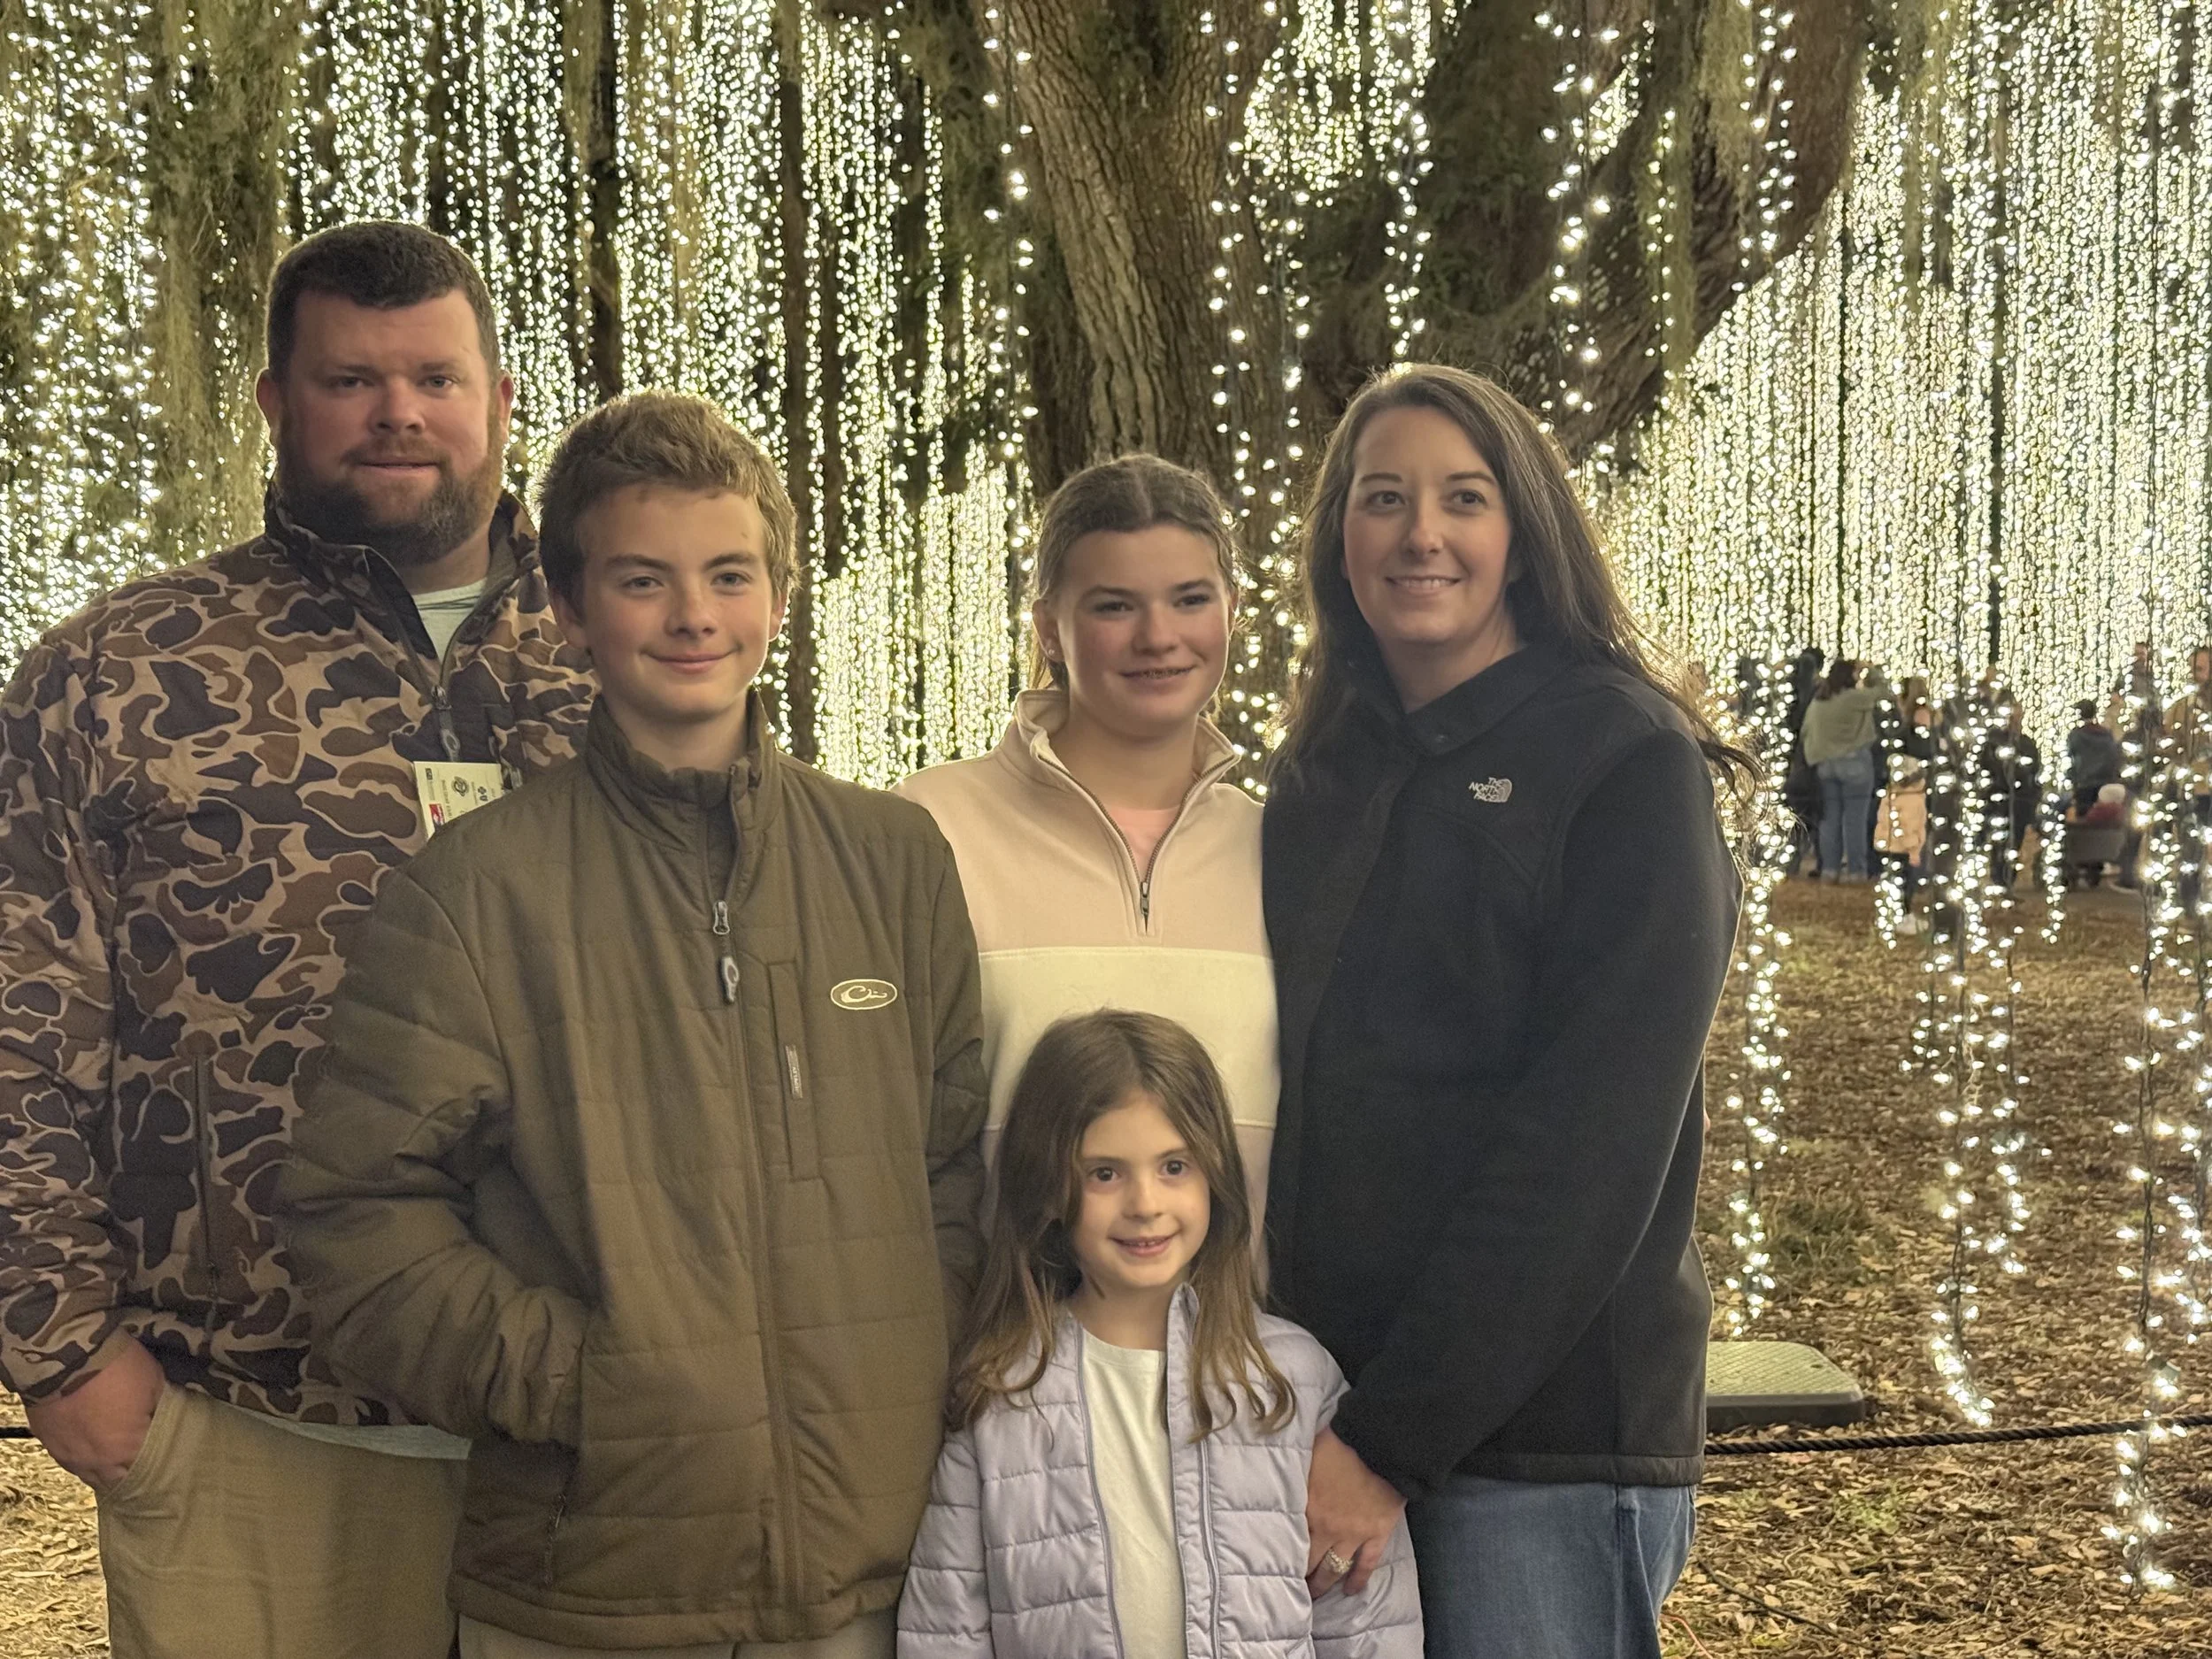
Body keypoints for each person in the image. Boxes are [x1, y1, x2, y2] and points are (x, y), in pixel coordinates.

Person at [277, 392, 988, 1656]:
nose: (694, 616)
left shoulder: (895, 859)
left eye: (728, 573)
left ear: (778, 594)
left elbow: (950, 1165)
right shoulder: (478, 890)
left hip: (870, 1576)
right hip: (589, 1582)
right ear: (570, 607)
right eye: (643, 578)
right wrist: (584, 1379)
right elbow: (355, 1219)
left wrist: (904, 1363)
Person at [0, 221, 595, 1659]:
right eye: (351, 379)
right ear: (275, 402)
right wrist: (64, 1349)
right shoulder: (125, 671)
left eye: (436, 378)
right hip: (247, 1416)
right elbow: (20, 1020)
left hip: (586, 1416)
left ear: (503, 402)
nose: (399, 411)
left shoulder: (632, 648)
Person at [1261, 364, 1743, 1659]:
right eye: (1384, 498)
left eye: (1463, 497)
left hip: (1541, 1440)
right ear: (1340, 540)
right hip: (1324, 1415)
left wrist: (1390, 1437)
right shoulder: (1319, 775)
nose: (1423, 532)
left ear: (1522, 532)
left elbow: (1590, 1146)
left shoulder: (1623, 760)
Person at [897, 1010, 1422, 1657]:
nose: (1145, 1202)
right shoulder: (999, 1392)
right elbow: (944, 1631)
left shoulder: (1296, 1378)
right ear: (1051, 1188)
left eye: (1174, 1165)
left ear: (1214, 1175)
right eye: (1105, 1172)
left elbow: (1370, 1626)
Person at [896, 457, 1277, 1235]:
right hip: (999, 1342)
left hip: (1243, 1344)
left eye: (1190, 599)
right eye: (1114, 606)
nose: (1158, 636)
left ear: (1231, 611)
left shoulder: (1281, 847)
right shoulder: (930, 826)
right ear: (1048, 628)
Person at [1800, 658, 1884, 882]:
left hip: (1825, 764)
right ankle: (1856, 871)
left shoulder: (1819, 702)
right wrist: (1871, 669)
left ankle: (1830, 869)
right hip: (1855, 764)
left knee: (1830, 819)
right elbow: (1881, 691)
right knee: (1855, 820)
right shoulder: (1854, 699)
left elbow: (1806, 732)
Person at [1975, 699, 2044, 890]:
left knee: (2015, 840)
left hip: (2021, 800)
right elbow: (1986, 768)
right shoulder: (1992, 743)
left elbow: (2034, 770)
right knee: (2000, 840)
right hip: (1999, 798)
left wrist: (2034, 793)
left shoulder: (2026, 743)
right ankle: (1999, 877)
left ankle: (2007, 880)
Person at [2066, 698, 2124, 811]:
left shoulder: (2076, 735)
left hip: (2084, 785)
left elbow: (2071, 755)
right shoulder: (2105, 734)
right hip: (2106, 784)